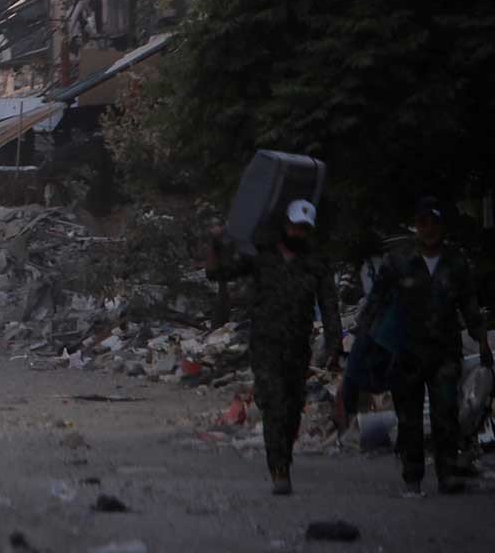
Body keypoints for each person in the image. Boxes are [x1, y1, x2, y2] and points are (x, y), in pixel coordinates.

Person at [357, 197, 492, 496]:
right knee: (409, 418)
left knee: (446, 414)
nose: (429, 229)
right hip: (406, 352)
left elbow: (469, 306)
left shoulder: (455, 263)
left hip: (444, 352)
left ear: (442, 226)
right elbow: (376, 302)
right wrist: (365, 342)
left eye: (434, 223)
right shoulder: (398, 261)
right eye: (423, 222)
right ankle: (412, 476)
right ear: (415, 226)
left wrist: (482, 342)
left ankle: (447, 474)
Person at [206, 199, 343, 495]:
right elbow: (217, 273)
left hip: (298, 347)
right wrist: (216, 244)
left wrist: (334, 342)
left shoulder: (315, 263)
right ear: (284, 225)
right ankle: (279, 469)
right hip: (265, 345)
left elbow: (329, 304)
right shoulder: (262, 256)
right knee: (273, 403)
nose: (298, 233)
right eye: (294, 226)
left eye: (304, 229)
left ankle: (284, 456)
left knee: (292, 407)